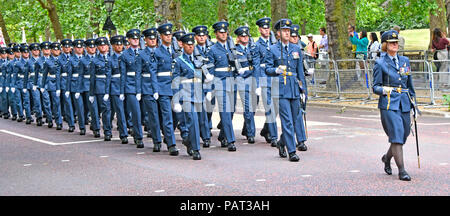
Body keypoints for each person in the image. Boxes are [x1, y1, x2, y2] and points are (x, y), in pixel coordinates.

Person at [372, 30, 415, 181]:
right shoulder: (380, 63)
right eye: (391, 42)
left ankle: (387, 158)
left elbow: (409, 84)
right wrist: (385, 89)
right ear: (385, 45)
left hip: (404, 102)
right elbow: (375, 87)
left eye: (396, 42)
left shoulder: (405, 61)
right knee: (396, 135)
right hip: (389, 103)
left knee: (403, 135)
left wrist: (413, 101)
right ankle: (402, 170)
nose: (395, 45)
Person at [265, 18, 305, 162]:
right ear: (278, 33)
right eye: (284, 31)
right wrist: (276, 70)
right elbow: (267, 69)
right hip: (280, 88)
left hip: (294, 87)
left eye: (289, 31)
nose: (287, 33)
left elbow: (300, 71)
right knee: (287, 121)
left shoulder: (296, 49)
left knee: (295, 120)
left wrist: (304, 90)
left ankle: (282, 142)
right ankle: (292, 151)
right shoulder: (273, 49)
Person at [206, 21, 237, 151]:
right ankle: (231, 141)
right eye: (221, 32)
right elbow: (210, 70)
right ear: (216, 34)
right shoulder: (212, 50)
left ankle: (223, 135)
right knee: (225, 111)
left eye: (225, 32)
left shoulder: (231, 47)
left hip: (232, 82)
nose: (223, 34)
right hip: (220, 83)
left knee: (231, 112)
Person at [172, 32, 203, 160]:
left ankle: (188, 140)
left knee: (198, 123)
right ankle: (196, 150)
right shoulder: (178, 61)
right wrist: (176, 100)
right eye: (188, 45)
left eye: (192, 45)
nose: (191, 47)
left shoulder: (199, 59)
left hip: (198, 93)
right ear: (183, 45)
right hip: (185, 95)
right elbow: (175, 81)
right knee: (193, 121)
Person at [152, 23, 180, 156]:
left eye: (170, 34)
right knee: (167, 116)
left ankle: (167, 134)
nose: (168, 37)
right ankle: (171, 144)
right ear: (161, 36)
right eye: (166, 35)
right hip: (162, 88)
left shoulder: (176, 52)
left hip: (175, 87)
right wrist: (155, 89)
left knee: (176, 117)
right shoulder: (156, 52)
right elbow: (153, 72)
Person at [233, 26, 261, 144]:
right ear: (239, 38)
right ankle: (251, 133)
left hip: (253, 78)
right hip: (242, 80)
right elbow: (237, 68)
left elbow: (256, 65)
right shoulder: (235, 50)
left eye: (247, 36)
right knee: (248, 107)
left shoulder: (253, 48)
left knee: (254, 105)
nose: (245, 38)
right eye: (243, 36)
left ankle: (246, 128)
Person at [120, 29, 145, 148]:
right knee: (136, 113)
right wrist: (122, 91)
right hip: (130, 87)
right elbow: (123, 74)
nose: (135, 40)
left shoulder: (144, 52)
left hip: (143, 86)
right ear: (129, 40)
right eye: (133, 38)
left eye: (137, 38)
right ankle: (138, 137)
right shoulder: (124, 55)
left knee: (146, 113)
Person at [255, 17, 278, 147]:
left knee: (276, 108)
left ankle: (266, 129)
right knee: (269, 108)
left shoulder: (275, 43)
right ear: (259, 30)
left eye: (268, 27)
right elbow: (257, 66)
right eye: (264, 28)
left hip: (275, 78)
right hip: (264, 78)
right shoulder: (257, 45)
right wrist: (258, 84)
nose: (266, 30)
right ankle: (274, 136)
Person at [140, 28, 162, 150]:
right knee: (153, 115)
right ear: (146, 40)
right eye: (150, 39)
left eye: (154, 38)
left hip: (161, 86)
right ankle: (157, 141)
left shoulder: (161, 52)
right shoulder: (142, 54)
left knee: (165, 115)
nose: (153, 41)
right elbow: (139, 73)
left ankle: (168, 138)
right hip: (147, 86)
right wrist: (139, 90)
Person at [192, 25, 213, 148]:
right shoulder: (192, 50)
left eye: (203, 35)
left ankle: (206, 129)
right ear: (195, 37)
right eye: (199, 36)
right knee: (203, 112)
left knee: (209, 110)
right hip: (198, 84)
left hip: (212, 83)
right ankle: (206, 137)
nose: (201, 37)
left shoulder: (211, 49)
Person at [90, 37, 113, 141]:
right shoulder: (95, 60)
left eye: (105, 45)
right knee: (103, 109)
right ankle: (103, 130)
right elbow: (92, 78)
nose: (103, 47)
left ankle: (108, 129)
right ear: (98, 47)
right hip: (101, 87)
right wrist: (91, 93)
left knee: (109, 110)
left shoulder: (112, 58)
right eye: (101, 45)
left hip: (113, 86)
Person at [41, 42, 63, 130]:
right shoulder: (48, 61)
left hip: (61, 83)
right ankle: (51, 119)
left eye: (58, 49)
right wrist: (42, 86)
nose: (56, 51)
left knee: (57, 103)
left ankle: (59, 121)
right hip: (51, 84)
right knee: (50, 103)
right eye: (54, 49)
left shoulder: (64, 60)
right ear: (51, 50)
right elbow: (45, 74)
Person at [69, 39, 88, 135]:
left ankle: (86, 121)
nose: (80, 49)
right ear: (74, 48)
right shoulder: (71, 59)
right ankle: (82, 127)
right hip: (75, 85)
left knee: (88, 107)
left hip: (86, 85)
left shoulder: (86, 58)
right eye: (78, 47)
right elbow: (69, 75)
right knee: (79, 107)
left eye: (81, 47)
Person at [59, 39, 75, 132]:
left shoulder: (74, 57)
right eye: (65, 47)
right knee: (68, 104)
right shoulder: (60, 59)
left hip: (75, 83)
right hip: (64, 82)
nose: (67, 48)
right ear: (62, 48)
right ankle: (71, 123)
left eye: (69, 47)